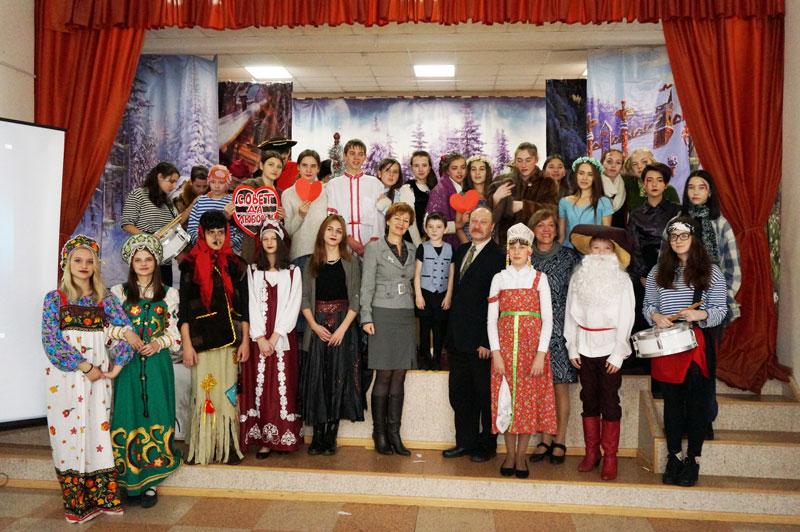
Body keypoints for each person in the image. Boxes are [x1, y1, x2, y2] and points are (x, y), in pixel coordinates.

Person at [41, 235, 137, 523]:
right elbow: (51, 341)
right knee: (68, 435)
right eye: (77, 260)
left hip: (99, 381)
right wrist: (84, 366)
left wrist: (116, 367)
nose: (84, 266)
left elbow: (127, 332)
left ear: (96, 265)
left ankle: (103, 498)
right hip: (66, 379)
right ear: (67, 263)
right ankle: (76, 504)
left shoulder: (105, 300)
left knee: (98, 433)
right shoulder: (55, 299)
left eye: (89, 261)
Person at [643, 217, 727, 487]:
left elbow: (720, 310)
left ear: (694, 238)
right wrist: (655, 316)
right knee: (672, 403)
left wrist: (700, 314)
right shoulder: (658, 271)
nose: (678, 241)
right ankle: (674, 456)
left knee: (696, 403)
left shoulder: (711, 271)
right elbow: (648, 305)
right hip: (667, 345)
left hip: (695, 344)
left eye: (683, 235)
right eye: (674, 236)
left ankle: (693, 459)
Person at [110, 234, 181, 507]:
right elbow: (107, 328)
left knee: (157, 413)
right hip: (127, 365)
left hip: (156, 364)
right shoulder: (118, 293)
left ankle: (150, 484)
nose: (143, 263)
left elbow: (174, 333)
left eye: (148, 259)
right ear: (131, 263)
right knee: (128, 415)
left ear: (156, 262)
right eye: (138, 259)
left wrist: (158, 343)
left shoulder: (169, 294)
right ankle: (127, 481)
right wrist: (125, 335)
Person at [564, 225, 635, 481]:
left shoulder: (622, 280)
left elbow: (627, 316)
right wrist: (572, 345)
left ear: (614, 253)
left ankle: (611, 456)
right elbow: (570, 314)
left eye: (607, 249)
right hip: (584, 347)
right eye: (596, 248)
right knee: (588, 399)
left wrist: (618, 352)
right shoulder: (579, 278)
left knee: (610, 401)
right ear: (589, 251)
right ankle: (591, 452)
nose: (601, 253)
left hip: (609, 348)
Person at [179, 210, 250, 465]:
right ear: (202, 234)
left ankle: (227, 445)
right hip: (202, 341)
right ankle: (202, 448)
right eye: (212, 233)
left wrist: (246, 340)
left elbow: (244, 306)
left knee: (228, 392)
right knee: (204, 392)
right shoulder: (189, 264)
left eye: (221, 232)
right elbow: (184, 310)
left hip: (230, 339)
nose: (217, 238)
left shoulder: (236, 264)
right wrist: (187, 344)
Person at [488, 223, 555, 479]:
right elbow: (491, 320)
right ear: (508, 250)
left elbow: (547, 320)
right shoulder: (499, 278)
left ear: (530, 251)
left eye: (522, 246)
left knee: (527, 402)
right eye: (512, 246)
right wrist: (496, 352)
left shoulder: (539, 278)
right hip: (505, 350)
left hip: (530, 351)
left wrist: (541, 354)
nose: (517, 251)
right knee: (506, 400)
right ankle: (508, 453)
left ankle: (521, 455)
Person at [680, 169, 742, 438]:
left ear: (710, 192)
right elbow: (664, 264)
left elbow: (733, 268)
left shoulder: (720, 224)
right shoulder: (676, 222)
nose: (695, 192)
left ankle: (704, 420)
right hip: (681, 303)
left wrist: (719, 301)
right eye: (691, 187)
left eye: (701, 187)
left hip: (711, 305)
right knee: (683, 364)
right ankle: (682, 419)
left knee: (706, 364)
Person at [442, 207, 506, 462]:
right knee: (459, 394)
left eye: (483, 222)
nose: (477, 225)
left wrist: (488, 341)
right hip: (457, 338)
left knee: (483, 396)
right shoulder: (461, 251)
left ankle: (486, 445)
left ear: (492, 227)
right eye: (474, 221)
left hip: (481, 341)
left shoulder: (499, 257)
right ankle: (464, 442)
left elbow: (500, 303)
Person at [300, 215, 364, 455]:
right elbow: (304, 298)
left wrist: (342, 328)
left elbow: (356, 298)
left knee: (339, 378)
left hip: (342, 326)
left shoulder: (351, 262)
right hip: (317, 326)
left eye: (339, 230)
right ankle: (317, 435)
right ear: (322, 233)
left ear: (343, 235)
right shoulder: (311, 262)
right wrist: (314, 326)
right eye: (330, 229)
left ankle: (331, 436)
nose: (334, 234)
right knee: (318, 379)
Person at [241, 220, 303, 458]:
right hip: (259, 338)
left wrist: (276, 336)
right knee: (262, 388)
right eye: (265, 238)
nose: (269, 242)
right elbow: (251, 304)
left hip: (282, 338)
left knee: (282, 387)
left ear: (280, 241)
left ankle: (283, 437)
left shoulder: (293, 272)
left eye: (273, 238)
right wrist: (260, 337)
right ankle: (265, 440)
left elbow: (293, 305)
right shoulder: (253, 271)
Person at [361, 203, 417, 456]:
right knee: (383, 374)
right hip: (382, 313)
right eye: (397, 218)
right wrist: (366, 316)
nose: (401, 223)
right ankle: (380, 433)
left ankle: (395, 433)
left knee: (400, 375)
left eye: (406, 220)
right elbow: (366, 285)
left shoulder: (412, 249)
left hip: (405, 313)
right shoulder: (374, 248)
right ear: (388, 220)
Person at [527, 208, 581, 465]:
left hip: (561, 330)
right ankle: (544, 439)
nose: (546, 230)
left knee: (560, 388)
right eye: (541, 225)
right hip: (533, 329)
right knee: (540, 388)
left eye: (550, 225)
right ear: (533, 230)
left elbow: (578, 295)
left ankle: (559, 439)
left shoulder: (569, 257)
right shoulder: (525, 257)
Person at [627, 162, 682, 333]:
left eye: (659, 180)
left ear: (665, 184)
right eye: (649, 180)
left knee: (675, 318)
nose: (654, 184)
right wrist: (644, 275)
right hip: (645, 271)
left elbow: (685, 243)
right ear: (644, 184)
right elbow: (633, 248)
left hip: (675, 269)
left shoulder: (677, 211)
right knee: (646, 319)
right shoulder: (635, 214)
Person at [488, 142, 558, 247]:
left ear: (536, 159)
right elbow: (487, 212)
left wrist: (524, 206)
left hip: (536, 242)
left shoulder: (547, 183)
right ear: (515, 160)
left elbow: (552, 210)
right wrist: (495, 199)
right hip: (507, 242)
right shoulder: (502, 181)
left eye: (528, 160)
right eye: (519, 160)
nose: (523, 165)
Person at [121, 162, 180, 285]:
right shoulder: (138, 195)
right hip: (144, 257)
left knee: (165, 294)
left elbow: (176, 223)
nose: (174, 186)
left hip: (164, 260)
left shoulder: (167, 201)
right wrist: (148, 238)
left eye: (176, 182)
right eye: (171, 181)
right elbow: (127, 224)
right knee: (143, 293)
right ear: (160, 177)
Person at [325, 138, 385, 256]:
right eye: (352, 153)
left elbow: (379, 216)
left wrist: (373, 241)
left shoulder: (375, 184)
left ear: (365, 157)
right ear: (344, 156)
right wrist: (347, 238)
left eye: (360, 154)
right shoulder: (334, 184)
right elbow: (331, 216)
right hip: (342, 241)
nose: (356, 158)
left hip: (370, 239)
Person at [414, 213, 454, 370]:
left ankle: (437, 359)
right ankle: (424, 359)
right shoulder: (422, 248)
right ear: (425, 228)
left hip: (442, 294)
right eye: (430, 227)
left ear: (445, 229)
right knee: (424, 329)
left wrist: (449, 295)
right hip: (425, 293)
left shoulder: (450, 249)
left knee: (439, 329)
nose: (434, 230)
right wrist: (418, 295)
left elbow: (451, 275)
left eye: (438, 227)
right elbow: (417, 274)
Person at [240, 150, 287, 264]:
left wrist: (283, 218)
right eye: (271, 164)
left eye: (279, 167)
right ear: (261, 165)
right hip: (252, 246)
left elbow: (282, 228)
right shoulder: (249, 186)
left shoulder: (281, 194)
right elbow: (239, 215)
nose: (275, 169)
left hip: (273, 250)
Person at [187, 164, 245, 255]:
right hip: (204, 251)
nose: (217, 186)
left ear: (228, 183)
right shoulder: (200, 201)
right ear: (208, 182)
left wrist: (231, 243)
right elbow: (192, 228)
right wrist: (201, 242)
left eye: (221, 182)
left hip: (229, 252)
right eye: (213, 182)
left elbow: (242, 229)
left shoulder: (234, 201)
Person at [558, 157, 612, 247]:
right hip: (568, 250)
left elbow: (606, 236)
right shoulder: (564, 202)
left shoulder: (604, 202)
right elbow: (562, 237)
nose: (584, 178)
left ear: (595, 178)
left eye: (590, 174)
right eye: (581, 173)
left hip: (592, 251)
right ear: (576, 175)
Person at [426, 152, 468, 248]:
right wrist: (459, 224)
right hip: (442, 245)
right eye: (454, 168)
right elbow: (432, 225)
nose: (459, 172)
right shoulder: (440, 191)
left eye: (463, 167)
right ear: (447, 171)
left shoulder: (462, 188)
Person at [621, 148, 680, 213]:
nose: (639, 166)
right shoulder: (629, 183)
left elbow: (678, 216)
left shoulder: (669, 190)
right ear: (631, 169)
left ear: (653, 163)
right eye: (635, 164)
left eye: (644, 162)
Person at [398, 150, 437, 246]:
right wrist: (420, 246)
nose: (420, 169)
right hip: (412, 243)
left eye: (424, 165)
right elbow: (410, 221)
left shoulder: (433, 188)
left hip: (431, 241)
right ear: (412, 168)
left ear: (429, 168)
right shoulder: (408, 188)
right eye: (416, 166)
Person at [457, 155, 493, 243]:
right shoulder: (463, 196)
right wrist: (468, 246)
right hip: (470, 243)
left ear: (487, 172)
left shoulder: (493, 195)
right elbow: (459, 228)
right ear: (469, 173)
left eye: (481, 169)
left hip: (491, 244)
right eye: (473, 169)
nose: (477, 173)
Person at [600, 149, 627, 228]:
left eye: (618, 163)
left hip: (619, 231)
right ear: (602, 163)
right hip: (595, 231)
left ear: (621, 166)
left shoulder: (626, 184)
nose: (613, 166)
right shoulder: (594, 183)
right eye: (609, 161)